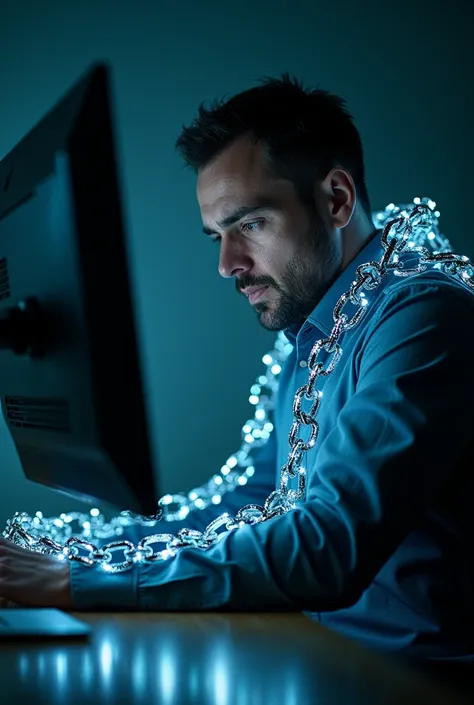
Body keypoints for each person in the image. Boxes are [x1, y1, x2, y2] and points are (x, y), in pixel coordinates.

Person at [1, 75, 474, 669]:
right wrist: (62, 551)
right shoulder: (313, 330)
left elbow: (327, 545)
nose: (227, 265)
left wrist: (79, 582)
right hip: (315, 655)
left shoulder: (424, 316)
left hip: (407, 683)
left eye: (249, 223)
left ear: (336, 200)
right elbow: (242, 505)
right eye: (217, 235)